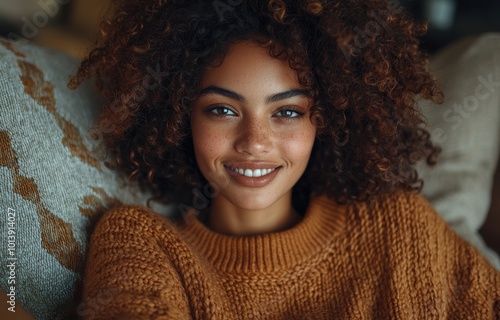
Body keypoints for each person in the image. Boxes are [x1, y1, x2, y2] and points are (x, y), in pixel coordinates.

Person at [70, 0, 500, 318]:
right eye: (222, 109)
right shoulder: (143, 242)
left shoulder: (398, 223)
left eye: (287, 112)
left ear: (326, 119)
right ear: (179, 115)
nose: (255, 142)